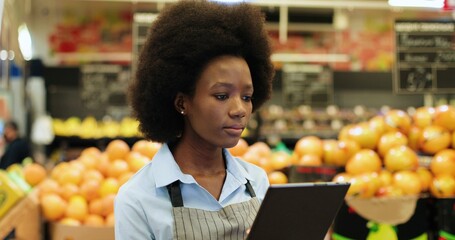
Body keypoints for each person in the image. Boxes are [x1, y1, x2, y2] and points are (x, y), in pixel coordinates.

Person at [114, 0, 275, 239]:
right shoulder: (139, 198)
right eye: (222, 95)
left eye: (247, 96)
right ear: (182, 103)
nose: (240, 109)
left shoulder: (257, 183)